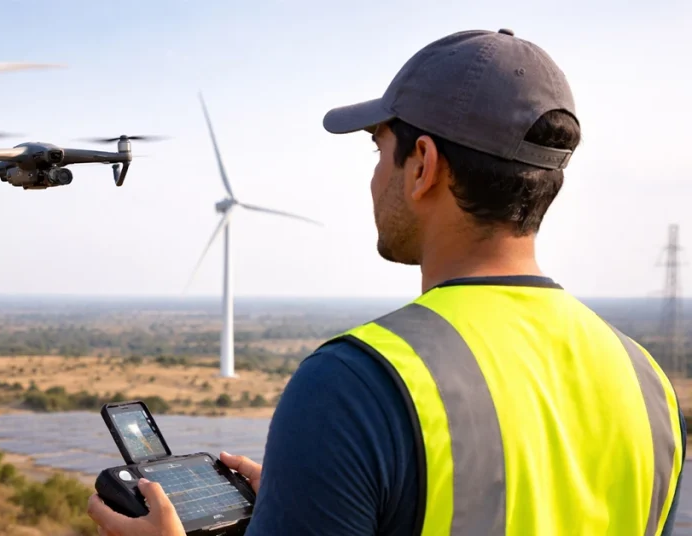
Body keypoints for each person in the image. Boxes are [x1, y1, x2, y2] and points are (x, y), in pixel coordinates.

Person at [87, 28, 687, 535]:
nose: (374, 178)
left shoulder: (354, 386)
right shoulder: (648, 386)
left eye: (378, 149)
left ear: (422, 164)